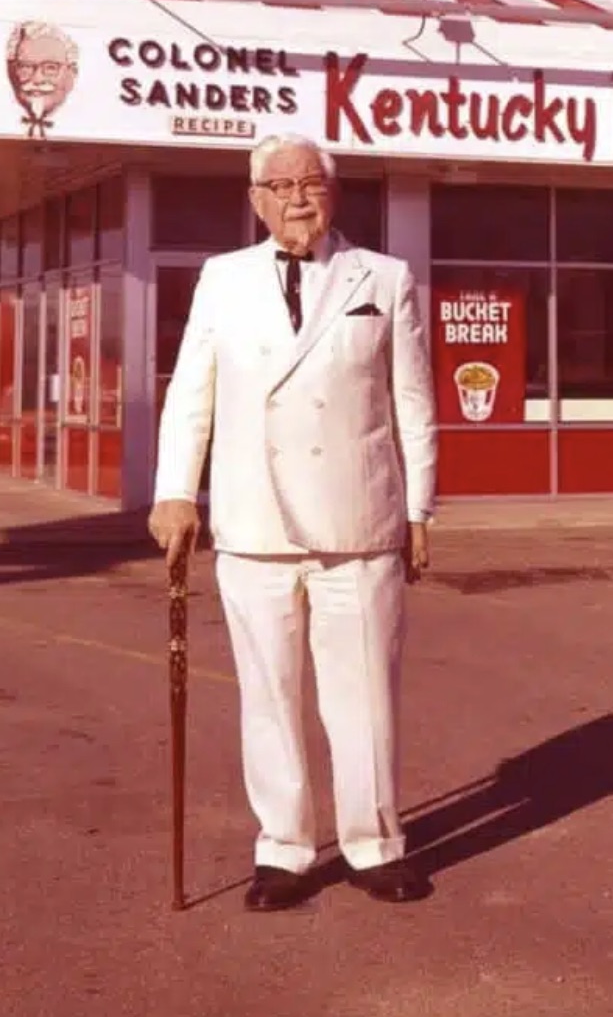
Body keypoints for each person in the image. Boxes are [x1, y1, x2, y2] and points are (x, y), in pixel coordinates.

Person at [148, 134, 437, 911]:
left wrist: (418, 508)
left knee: (364, 695)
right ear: (256, 200)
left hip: (359, 521)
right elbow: (191, 393)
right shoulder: (222, 280)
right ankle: (284, 850)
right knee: (267, 695)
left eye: (311, 181)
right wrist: (176, 490)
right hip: (254, 522)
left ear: (334, 193)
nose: (296, 197)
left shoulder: (385, 277)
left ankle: (375, 843)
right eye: (278, 185)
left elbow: (412, 399)